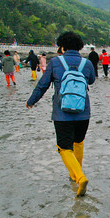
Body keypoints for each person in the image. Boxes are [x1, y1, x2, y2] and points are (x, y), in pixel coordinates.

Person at [26, 31, 95, 197]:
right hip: (83, 112)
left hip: (61, 113)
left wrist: (31, 101)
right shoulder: (86, 63)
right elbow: (91, 80)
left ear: (62, 46)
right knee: (78, 142)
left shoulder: (55, 62)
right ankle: (74, 174)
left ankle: (79, 176)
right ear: (79, 47)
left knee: (64, 147)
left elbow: (42, 85)